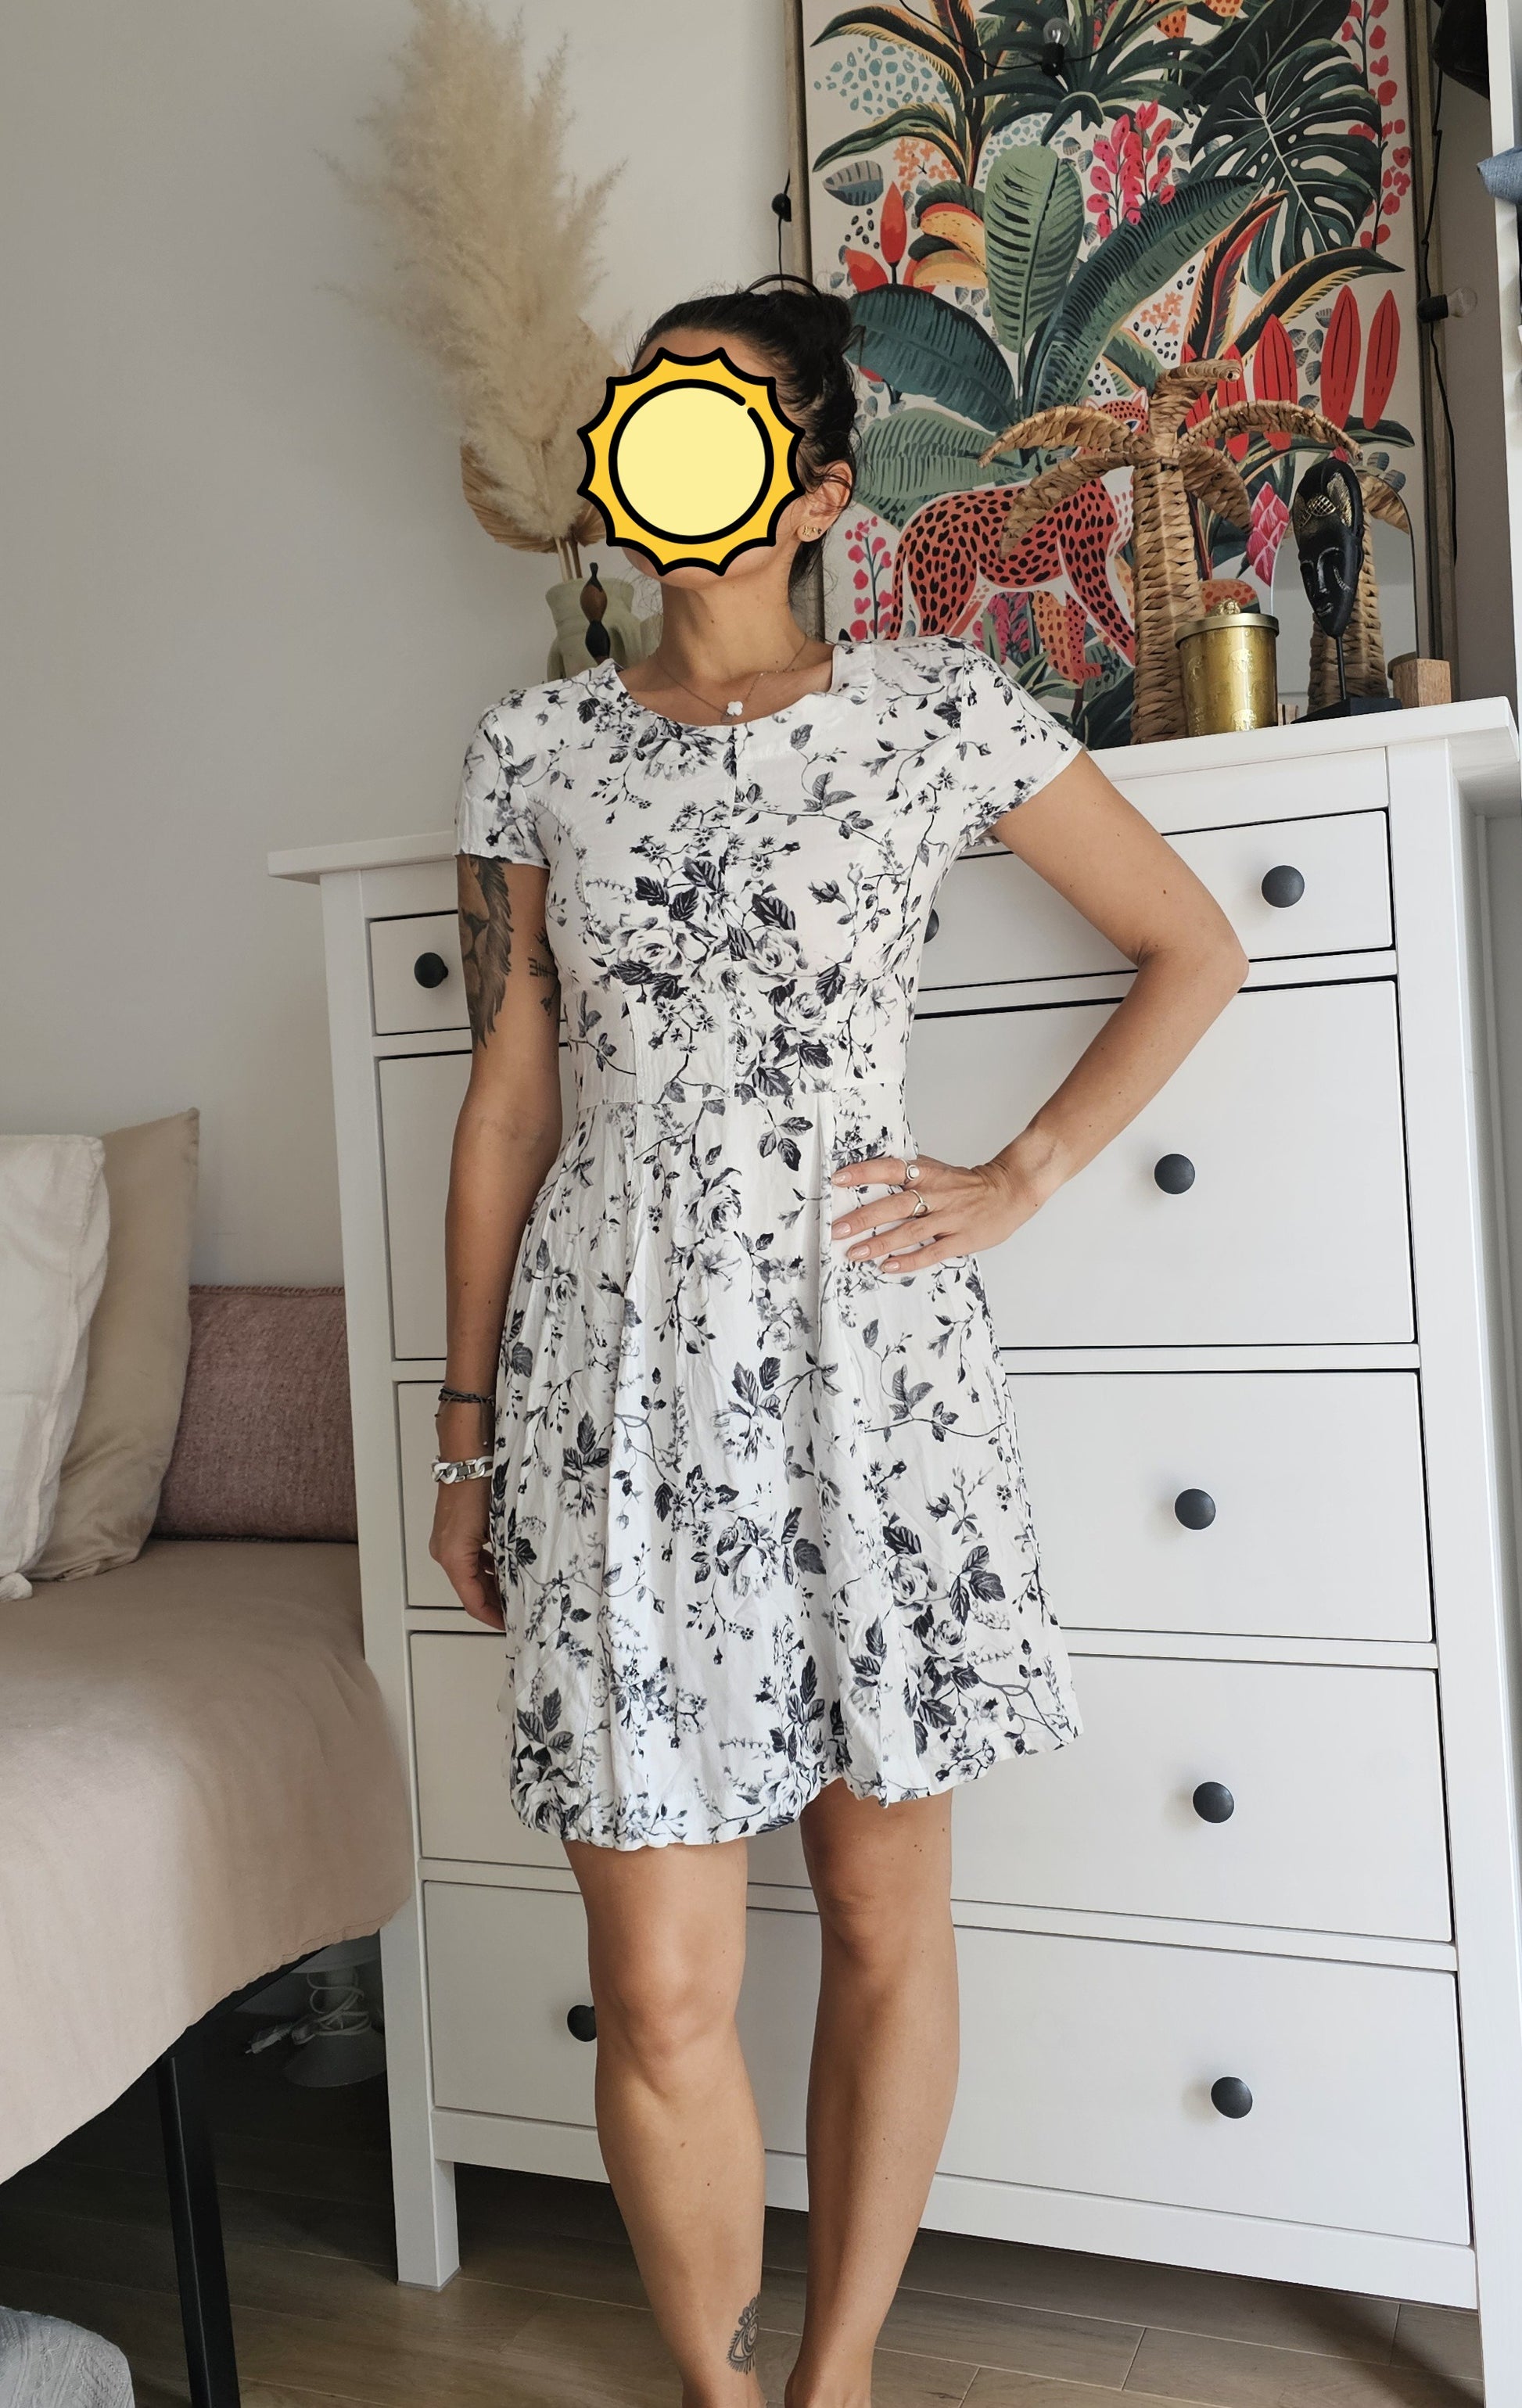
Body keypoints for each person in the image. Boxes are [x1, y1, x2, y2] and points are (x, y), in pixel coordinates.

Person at [432, 274, 1247, 2408]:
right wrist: (462, 1430)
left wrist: (1020, 1174)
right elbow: (506, 1101)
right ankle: (722, 2394)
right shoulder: (532, 748)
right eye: (646, 410)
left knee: (883, 1916)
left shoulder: (938, 709)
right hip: (609, 1384)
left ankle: (840, 2374)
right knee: (658, 1985)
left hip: (863, 1373)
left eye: (713, 419)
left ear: (808, 491)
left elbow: (1187, 944)